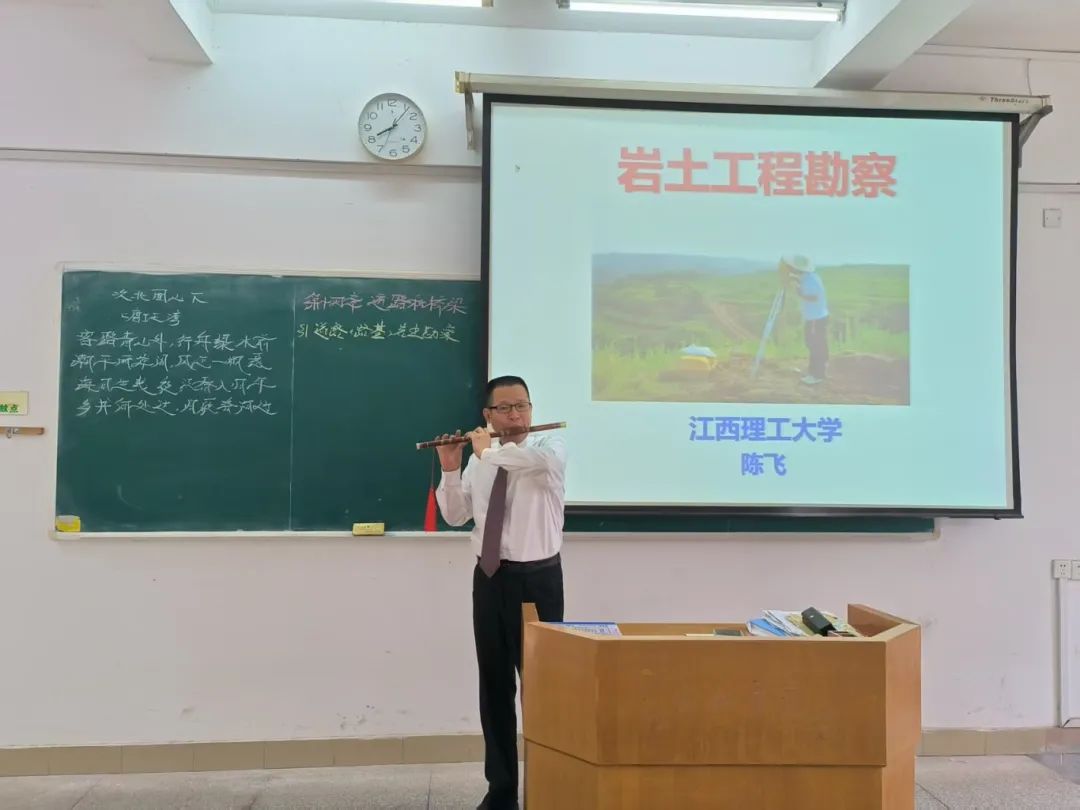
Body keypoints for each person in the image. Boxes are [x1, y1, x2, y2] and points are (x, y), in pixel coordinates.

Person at [434, 375, 567, 810]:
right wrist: (451, 468)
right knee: (494, 687)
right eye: (505, 409)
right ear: (487, 415)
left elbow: (522, 462)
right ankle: (502, 792)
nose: (515, 416)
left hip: (539, 581)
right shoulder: (481, 459)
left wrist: (486, 453)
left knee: (543, 688)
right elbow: (456, 516)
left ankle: (549, 790)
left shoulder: (547, 449)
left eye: (522, 406)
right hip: (490, 579)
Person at [781, 254, 829, 385]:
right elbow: (805, 285)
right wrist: (795, 280)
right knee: (818, 344)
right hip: (818, 317)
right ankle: (820, 369)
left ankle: (817, 375)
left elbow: (814, 297)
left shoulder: (809, 281)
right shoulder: (811, 277)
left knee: (814, 345)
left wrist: (800, 294)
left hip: (815, 318)